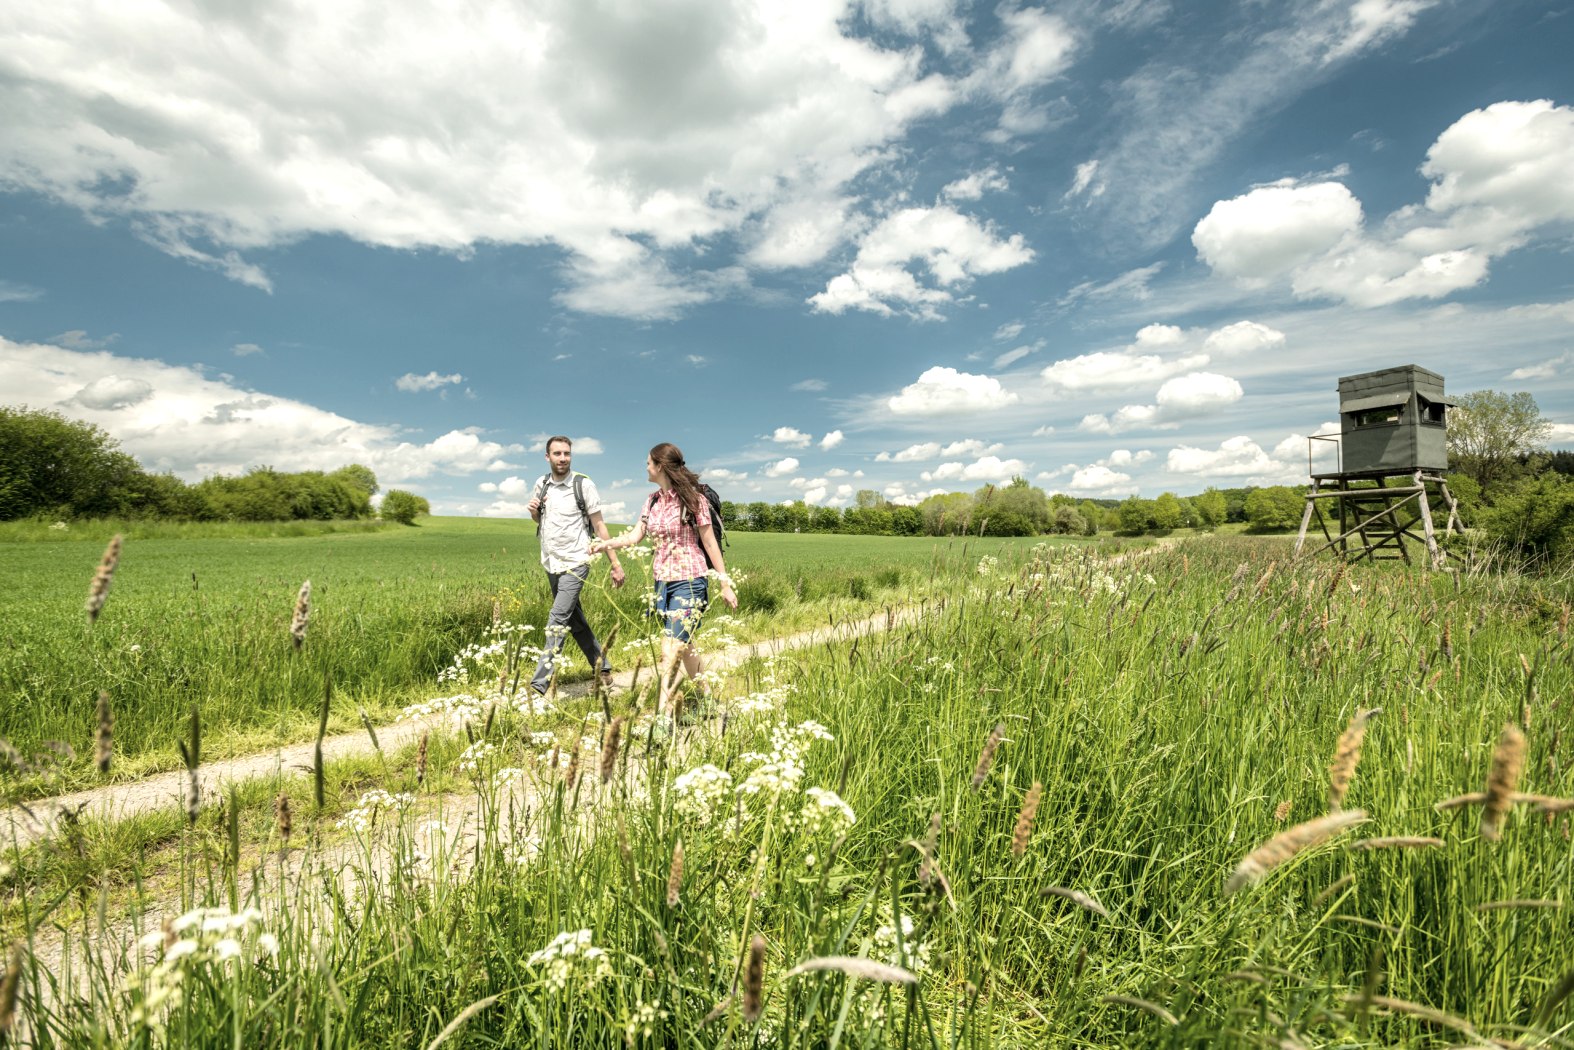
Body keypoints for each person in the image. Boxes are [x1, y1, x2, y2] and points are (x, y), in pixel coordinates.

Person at [591, 442, 736, 716]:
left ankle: (663, 720)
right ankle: (706, 700)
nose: (645, 467)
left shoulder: (695, 500)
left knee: (669, 650)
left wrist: (724, 583)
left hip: (690, 581)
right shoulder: (652, 500)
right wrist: (604, 545)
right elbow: (635, 537)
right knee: (685, 644)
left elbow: (710, 543)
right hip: (662, 584)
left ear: (660, 466)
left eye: (648, 463)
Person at [526, 435, 625, 695]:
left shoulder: (583, 485)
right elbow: (540, 520)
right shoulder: (542, 484)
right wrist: (534, 511)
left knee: (557, 618)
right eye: (557, 454)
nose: (562, 458)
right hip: (551, 561)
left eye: (566, 453)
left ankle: (538, 685)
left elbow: (599, 525)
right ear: (547, 457)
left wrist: (615, 562)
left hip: (577, 559)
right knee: (574, 620)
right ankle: (602, 668)